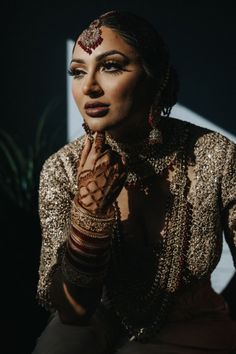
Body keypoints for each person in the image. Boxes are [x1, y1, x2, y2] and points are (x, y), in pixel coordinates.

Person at [32, 10, 236, 354]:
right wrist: (89, 212)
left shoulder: (213, 156)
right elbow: (73, 311)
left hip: (191, 325)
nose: (89, 86)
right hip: (95, 323)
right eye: (78, 71)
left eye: (111, 66)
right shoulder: (62, 170)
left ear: (155, 78)